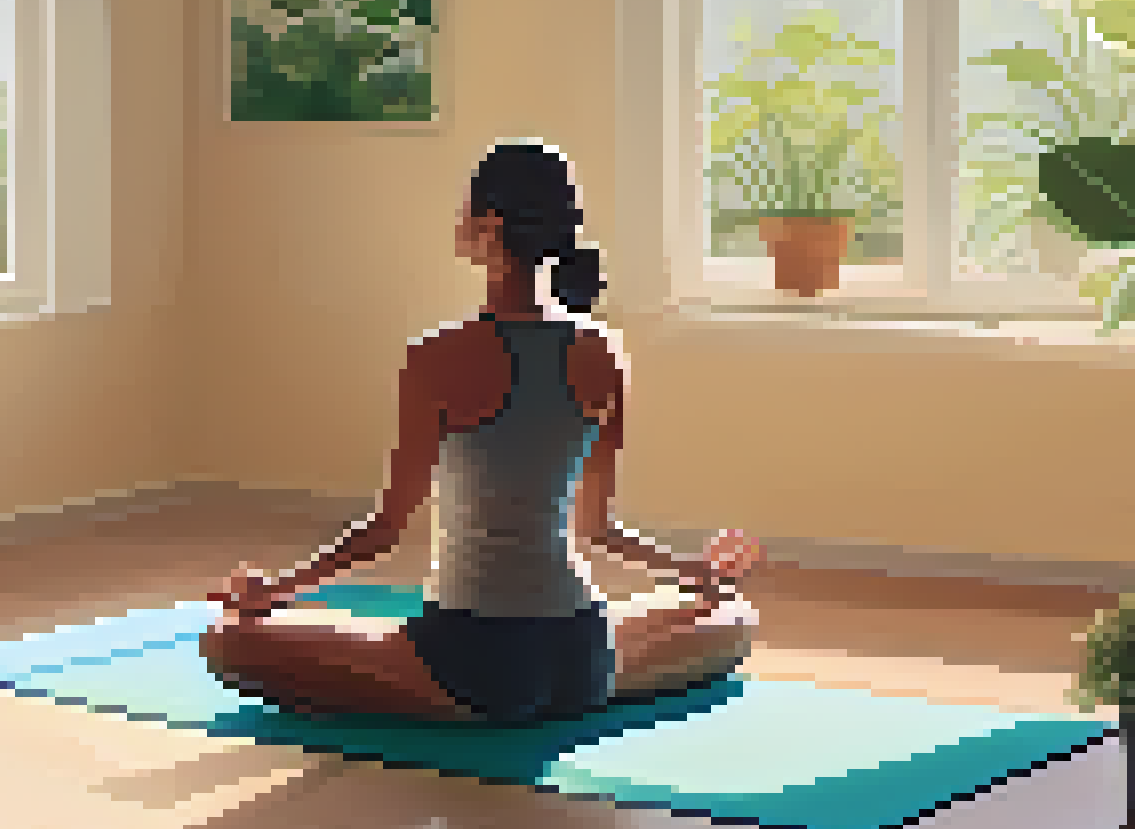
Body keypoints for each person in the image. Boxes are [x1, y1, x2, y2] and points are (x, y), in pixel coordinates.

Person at [199, 141, 765, 725]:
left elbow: (386, 531)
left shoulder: (437, 356)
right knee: (729, 615)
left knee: (227, 639)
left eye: (464, 208)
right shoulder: (603, 352)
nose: (457, 219)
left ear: (489, 227)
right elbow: (597, 529)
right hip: (581, 655)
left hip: (472, 661)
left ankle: (469, 690)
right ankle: (592, 668)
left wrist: (283, 586)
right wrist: (695, 572)